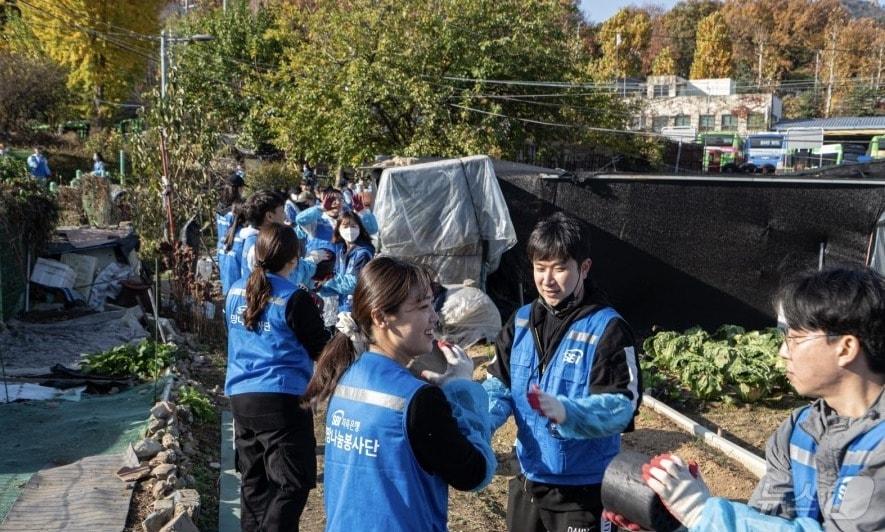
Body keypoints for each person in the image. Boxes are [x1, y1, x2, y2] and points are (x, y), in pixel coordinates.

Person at [628, 266, 885, 532]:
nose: (783, 352)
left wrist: (703, 513)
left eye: (795, 339)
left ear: (846, 348)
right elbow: (768, 518)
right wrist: (680, 523)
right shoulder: (801, 428)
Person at [303, 256, 497, 532]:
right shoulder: (418, 400)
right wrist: (461, 388)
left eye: (432, 303)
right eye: (421, 307)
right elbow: (475, 473)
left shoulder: (347, 377)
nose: (434, 316)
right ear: (381, 317)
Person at [482, 212, 642, 532]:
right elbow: (499, 386)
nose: (548, 280)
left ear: (583, 268)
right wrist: (477, 423)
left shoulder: (608, 329)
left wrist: (569, 413)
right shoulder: (521, 321)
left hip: (582, 492)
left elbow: (622, 408)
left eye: (559, 268)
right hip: (528, 478)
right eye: (540, 268)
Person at [225, 223, 330, 532]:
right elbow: (320, 348)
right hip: (281, 400)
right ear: (294, 260)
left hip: (241, 397)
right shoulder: (294, 298)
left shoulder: (234, 291)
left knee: (253, 481)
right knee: (292, 483)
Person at [318, 210, 375, 312]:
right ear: (338, 229)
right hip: (344, 306)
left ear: (359, 228)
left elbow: (354, 284)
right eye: (345, 226)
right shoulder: (341, 251)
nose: (349, 230)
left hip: (359, 308)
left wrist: (327, 280)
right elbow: (338, 283)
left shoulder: (363, 253)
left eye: (353, 226)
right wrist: (320, 286)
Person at [238, 190, 287, 281]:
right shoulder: (259, 245)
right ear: (269, 216)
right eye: (282, 211)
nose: (285, 216)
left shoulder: (253, 239)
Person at [216, 174, 245, 295]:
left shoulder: (219, 207)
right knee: (238, 292)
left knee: (227, 291)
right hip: (236, 252)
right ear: (238, 189)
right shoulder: (238, 209)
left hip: (222, 251)